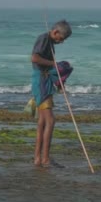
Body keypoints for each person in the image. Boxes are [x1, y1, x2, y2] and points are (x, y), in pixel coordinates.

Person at [30, 20, 72, 167]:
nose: (61, 42)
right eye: (61, 38)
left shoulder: (50, 42)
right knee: (50, 121)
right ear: (55, 32)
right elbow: (34, 58)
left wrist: (60, 83)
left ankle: (38, 159)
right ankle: (45, 158)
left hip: (44, 80)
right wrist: (53, 64)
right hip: (41, 81)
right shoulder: (43, 39)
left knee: (42, 122)